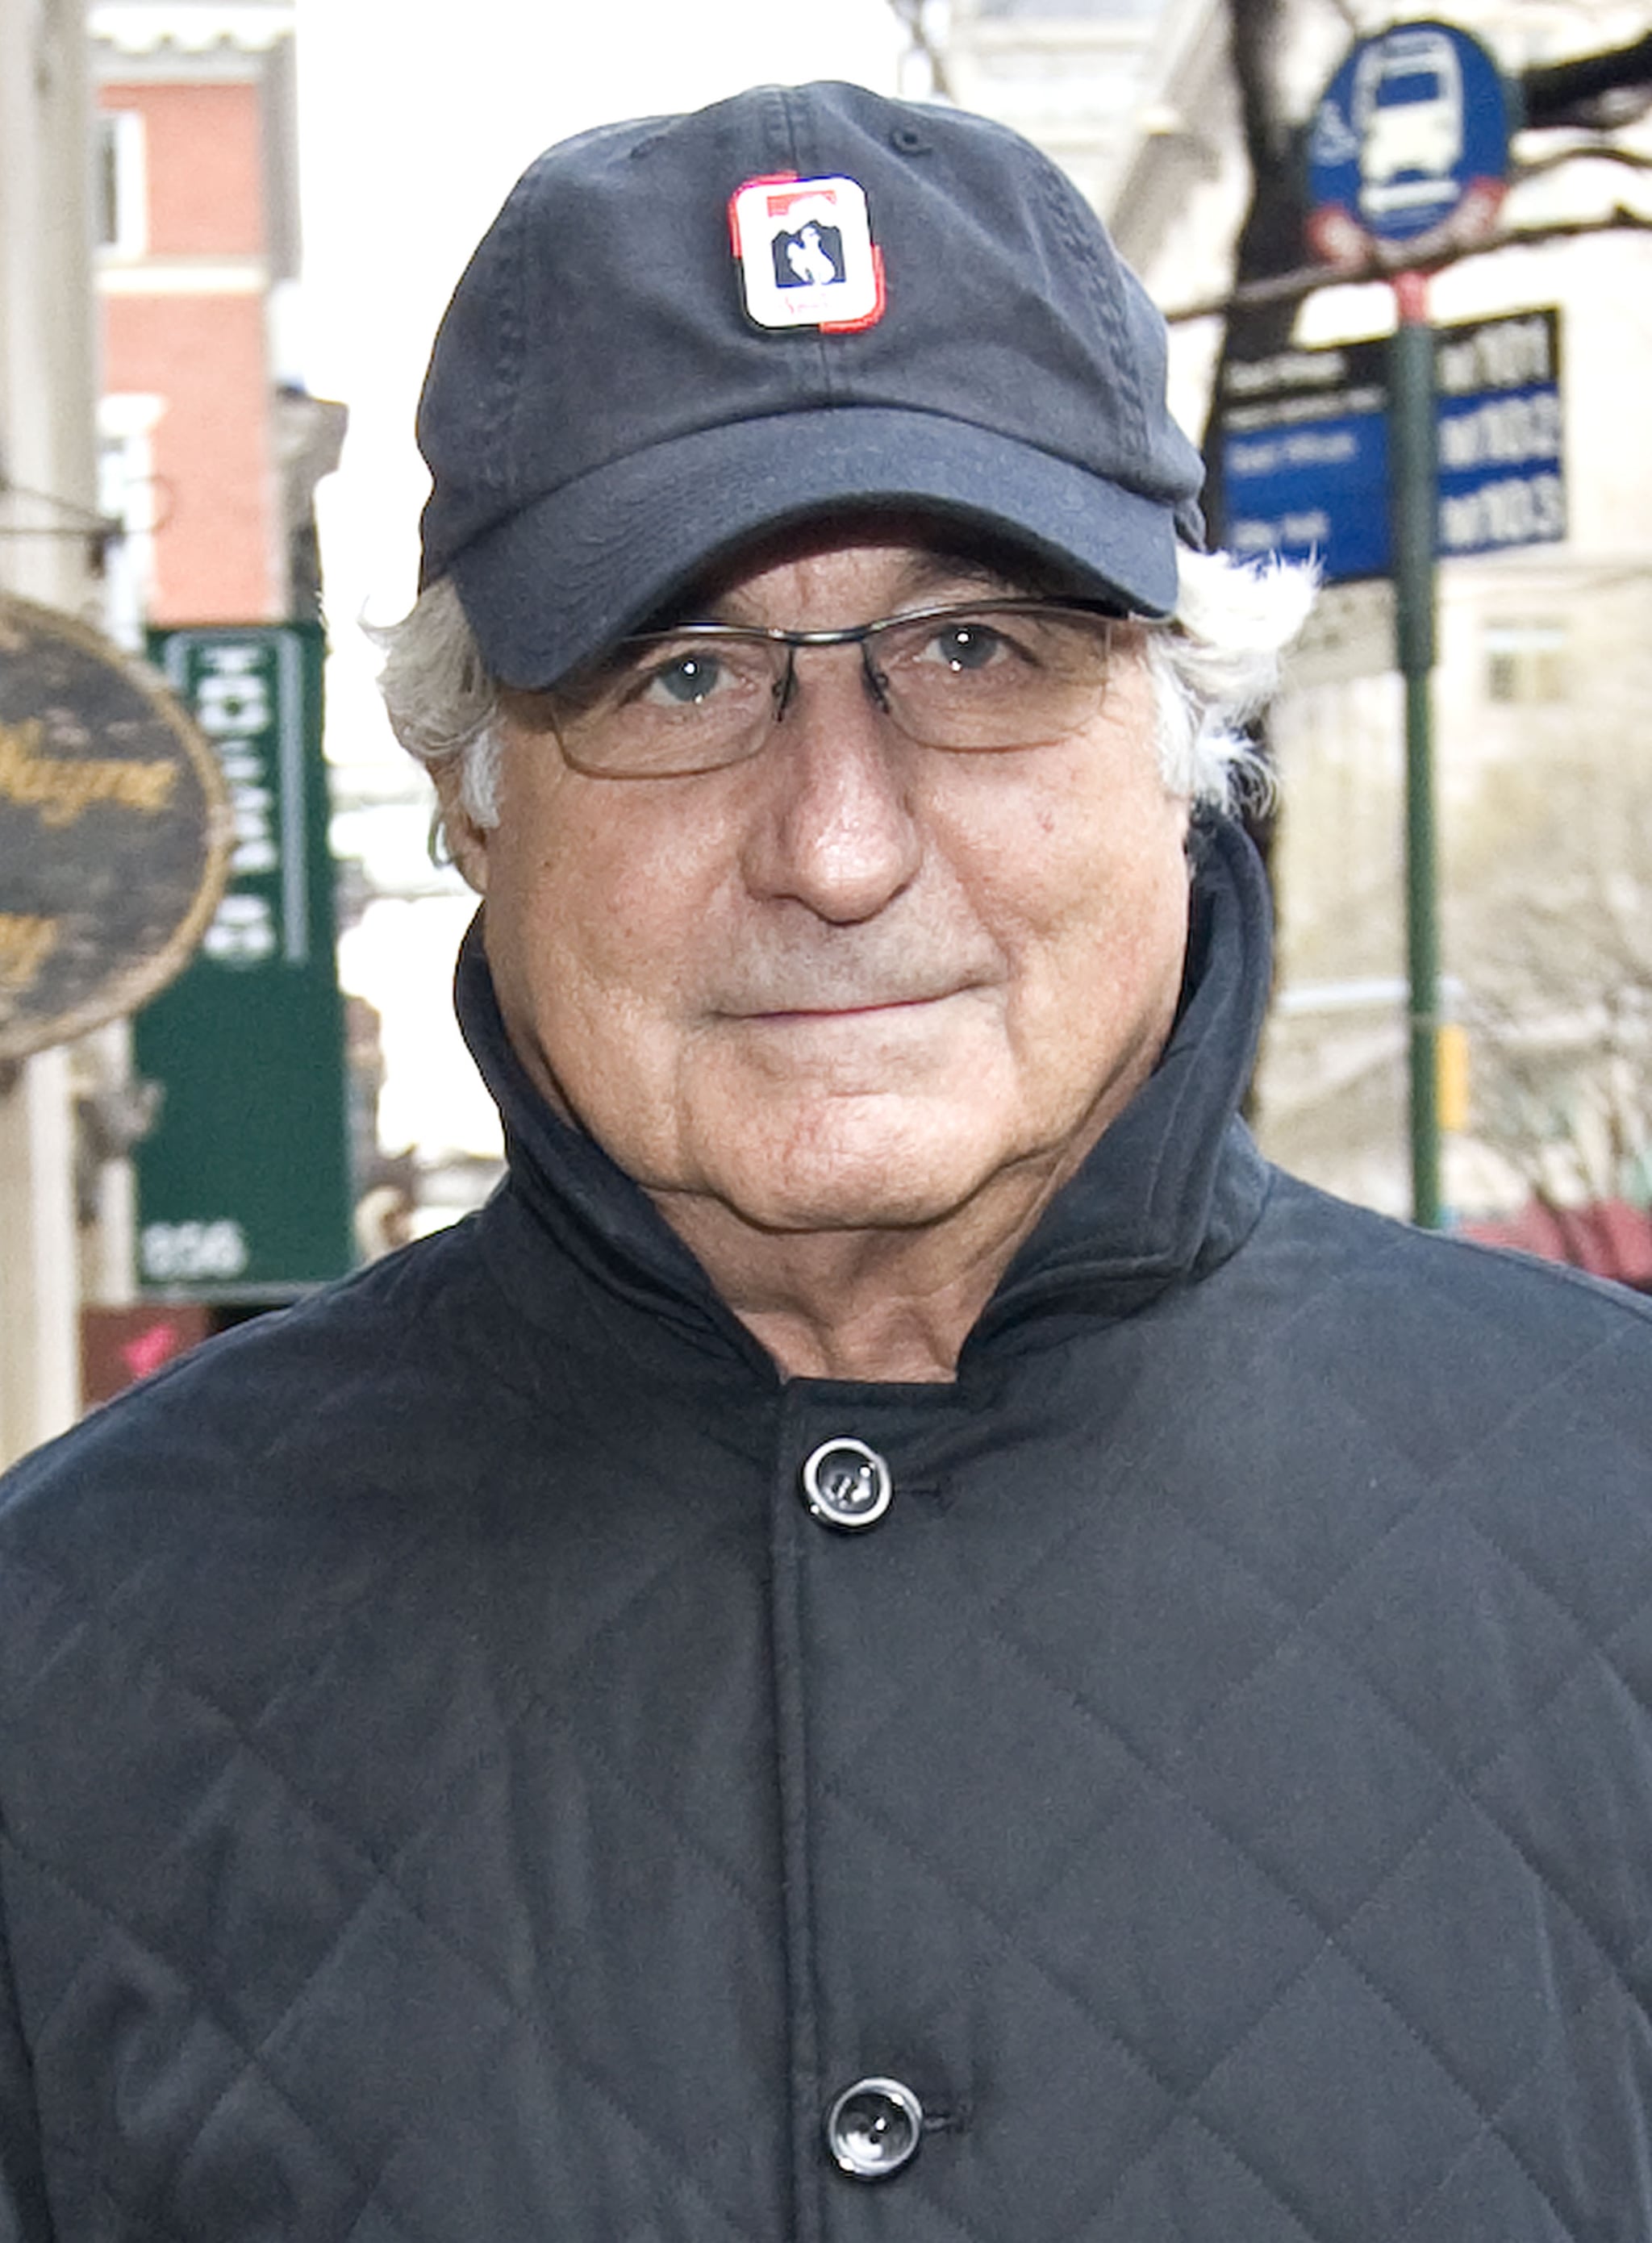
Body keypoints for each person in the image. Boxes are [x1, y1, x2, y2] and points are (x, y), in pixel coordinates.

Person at [2, 79, 1650, 2243]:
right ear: (474, 799)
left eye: (977, 651)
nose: (841, 846)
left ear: (1179, 733)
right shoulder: (64, 1656)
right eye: (685, 676)